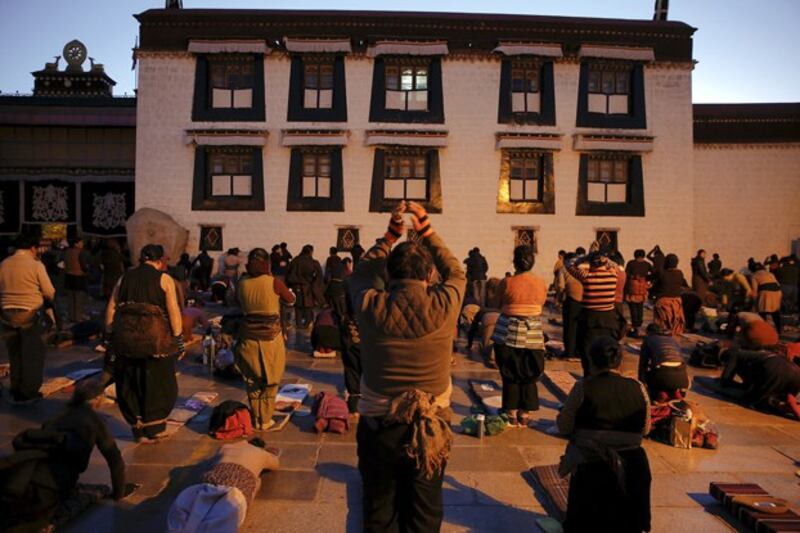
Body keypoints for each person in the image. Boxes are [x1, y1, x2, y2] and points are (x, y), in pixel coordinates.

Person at [349, 201, 465, 532]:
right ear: (430, 275)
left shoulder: (371, 304)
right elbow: (457, 271)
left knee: (379, 508)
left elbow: (359, 273)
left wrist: (390, 235)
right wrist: (424, 227)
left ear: (388, 273)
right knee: (425, 510)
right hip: (432, 428)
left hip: (379, 426)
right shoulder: (445, 304)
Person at [557, 336, 652, 533]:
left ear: (591, 361)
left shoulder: (583, 387)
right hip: (632, 462)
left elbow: (564, 426)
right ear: (619, 361)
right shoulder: (638, 387)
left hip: (592, 463)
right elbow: (646, 429)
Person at [0, 387, 127, 532]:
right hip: (53, 480)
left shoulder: (59, 415)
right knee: (29, 520)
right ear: (96, 401)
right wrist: (118, 493)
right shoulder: (94, 420)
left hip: (25, 467)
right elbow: (115, 461)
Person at [105, 244, 183, 442]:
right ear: (159, 261)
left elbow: (112, 307)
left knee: (130, 382)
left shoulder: (125, 278)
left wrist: (109, 333)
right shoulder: (164, 279)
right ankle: (154, 428)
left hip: (126, 340)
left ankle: (137, 428)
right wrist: (177, 336)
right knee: (158, 383)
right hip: (155, 341)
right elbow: (173, 310)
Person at [234, 248, 296, 430]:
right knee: (271, 379)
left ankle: (256, 418)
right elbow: (290, 299)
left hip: (247, 337)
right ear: (267, 264)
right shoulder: (274, 282)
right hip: (270, 338)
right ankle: (266, 420)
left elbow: (234, 301)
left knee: (252, 379)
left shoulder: (242, 282)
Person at [491, 245, 547, 427]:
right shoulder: (541, 283)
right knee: (529, 374)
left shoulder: (506, 282)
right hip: (533, 334)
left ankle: (511, 412)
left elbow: (496, 303)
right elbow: (541, 303)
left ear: (514, 261)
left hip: (508, 332)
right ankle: (525, 414)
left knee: (510, 373)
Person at [0, 234, 56, 403]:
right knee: (32, 355)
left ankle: (15, 387)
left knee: (14, 353)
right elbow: (49, 291)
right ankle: (28, 392)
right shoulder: (36, 265)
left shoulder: (4, 264)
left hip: (6, 315)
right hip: (30, 314)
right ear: (32, 248)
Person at [565, 251, 621, 375]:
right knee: (607, 353)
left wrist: (584, 257)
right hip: (608, 321)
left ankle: (590, 378)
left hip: (589, 322)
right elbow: (617, 265)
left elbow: (569, 264)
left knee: (588, 354)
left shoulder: (586, 277)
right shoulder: (613, 275)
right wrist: (606, 259)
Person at [638, 323, 688, 401]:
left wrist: (641, 385)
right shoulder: (672, 339)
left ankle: (659, 394)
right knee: (665, 374)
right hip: (682, 377)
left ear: (648, 332)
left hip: (663, 377)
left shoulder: (648, 340)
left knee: (650, 374)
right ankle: (674, 392)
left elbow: (643, 364)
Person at [286, 245, 321, 328]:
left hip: (296, 287)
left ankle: (299, 324)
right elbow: (318, 276)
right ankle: (307, 323)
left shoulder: (295, 261)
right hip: (308, 288)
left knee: (298, 307)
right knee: (308, 306)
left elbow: (288, 273)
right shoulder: (312, 262)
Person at [653, 253, 687, 336]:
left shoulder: (662, 273)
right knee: (676, 324)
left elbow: (656, 286)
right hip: (676, 301)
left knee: (662, 325)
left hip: (663, 301)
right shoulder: (680, 273)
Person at [625, 249, 652, 337]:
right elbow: (654, 273)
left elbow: (626, 274)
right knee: (640, 307)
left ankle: (635, 325)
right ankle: (639, 324)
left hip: (632, 287)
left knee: (633, 308)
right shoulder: (647, 264)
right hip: (642, 288)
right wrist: (646, 279)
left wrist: (634, 277)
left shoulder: (631, 263)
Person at [561, 252, 583, 359]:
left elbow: (560, 286)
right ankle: (579, 351)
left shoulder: (564, 269)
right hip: (584, 301)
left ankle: (570, 352)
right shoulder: (583, 269)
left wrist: (560, 299)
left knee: (570, 328)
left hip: (571, 301)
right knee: (581, 327)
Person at [750, 263, 782, 333]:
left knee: (763, 312)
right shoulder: (769, 273)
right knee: (775, 312)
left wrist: (754, 302)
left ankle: (765, 330)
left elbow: (754, 289)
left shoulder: (754, 275)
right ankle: (779, 330)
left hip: (766, 292)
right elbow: (777, 284)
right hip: (777, 292)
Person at [63, 237, 89, 323]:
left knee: (70, 298)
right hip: (78, 276)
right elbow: (83, 265)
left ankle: (71, 316)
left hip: (68, 276)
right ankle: (78, 317)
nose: (82, 244)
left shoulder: (67, 252)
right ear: (76, 244)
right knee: (78, 298)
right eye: (80, 243)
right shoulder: (80, 252)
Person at [324, 247, 347, 317]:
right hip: (341, 283)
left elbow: (327, 272)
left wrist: (326, 281)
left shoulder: (329, 259)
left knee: (331, 300)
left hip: (333, 282)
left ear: (330, 252)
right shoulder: (340, 260)